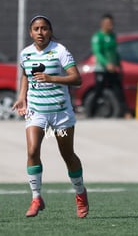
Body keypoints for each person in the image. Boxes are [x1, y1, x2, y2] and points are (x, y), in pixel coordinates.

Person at [12, 15, 89, 218]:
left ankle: (80, 193)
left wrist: (51, 78)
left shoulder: (60, 51)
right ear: (30, 32)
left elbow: (77, 78)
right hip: (36, 113)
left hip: (61, 114)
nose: (40, 32)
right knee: (32, 150)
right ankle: (36, 198)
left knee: (67, 155)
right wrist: (22, 97)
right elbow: (25, 75)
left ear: (50, 31)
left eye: (44, 28)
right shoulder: (25, 54)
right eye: (36, 29)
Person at [88, 13, 132, 119]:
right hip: (101, 69)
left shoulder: (112, 36)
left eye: (112, 23)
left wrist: (119, 66)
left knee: (118, 90)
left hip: (113, 69)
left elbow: (115, 53)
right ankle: (91, 112)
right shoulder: (97, 37)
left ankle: (125, 112)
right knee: (98, 90)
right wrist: (106, 64)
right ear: (102, 24)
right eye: (108, 23)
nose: (110, 26)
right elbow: (97, 52)